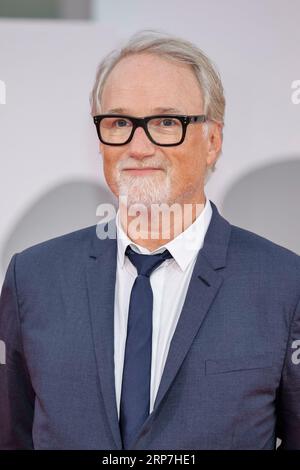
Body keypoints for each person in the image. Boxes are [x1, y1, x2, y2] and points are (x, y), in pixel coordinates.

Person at [0, 29, 300, 451]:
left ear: (212, 141)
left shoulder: (285, 285)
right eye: (120, 122)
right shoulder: (33, 278)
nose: (138, 147)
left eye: (165, 122)